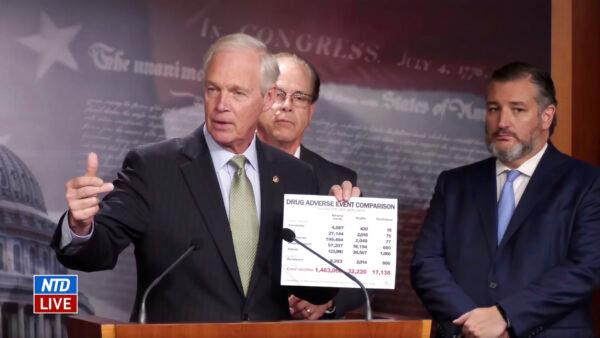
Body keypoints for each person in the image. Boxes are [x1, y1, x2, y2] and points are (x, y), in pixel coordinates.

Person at [51, 33, 359, 323]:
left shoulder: (295, 174)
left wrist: (332, 228)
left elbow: (312, 291)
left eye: (238, 92)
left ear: (266, 99)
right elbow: (96, 251)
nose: (222, 105)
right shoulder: (154, 166)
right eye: (213, 89)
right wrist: (81, 227)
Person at [411, 62, 600, 338]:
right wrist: (474, 324)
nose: (502, 122)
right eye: (493, 109)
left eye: (517, 109)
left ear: (546, 116)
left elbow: (586, 267)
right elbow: (426, 263)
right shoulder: (454, 184)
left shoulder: (586, 183)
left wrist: (505, 316)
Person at [257, 53, 365, 320]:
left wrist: (328, 301)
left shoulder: (338, 180)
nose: (287, 105)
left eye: (299, 97)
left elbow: (365, 274)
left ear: (311, 110)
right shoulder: (228, 167)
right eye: (278, 93)